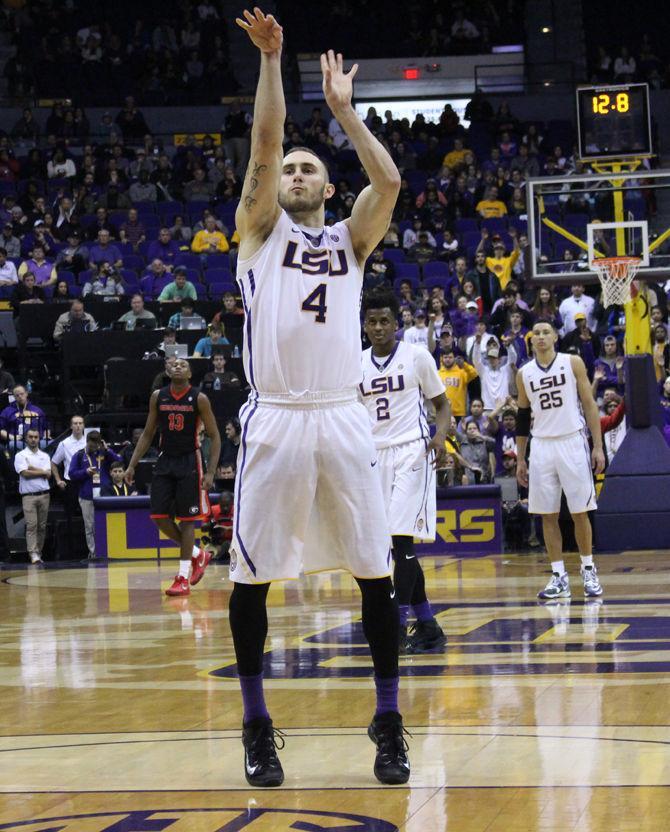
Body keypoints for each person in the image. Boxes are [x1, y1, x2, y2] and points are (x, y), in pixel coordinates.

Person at [230, 9, 407, 788]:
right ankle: (257, 725)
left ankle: (390, 717)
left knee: (377, 571)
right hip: (276, 417)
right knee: (251, 580)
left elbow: (391, 181)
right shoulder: (258, 231)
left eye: (309, 170)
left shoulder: (351, 240)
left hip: (342, 416)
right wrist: (273, 64)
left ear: (328, 187)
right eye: (291, 170)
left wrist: (344, 113)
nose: (295, 175)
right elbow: (265, 145)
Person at [360, 289, 449, 653]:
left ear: (397, 324)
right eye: (372, 322)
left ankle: (395, 625)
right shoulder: (355, 365)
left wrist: (441, 436)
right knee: (395, 546)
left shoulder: (417, 357)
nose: (378, 328)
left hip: (414, 451)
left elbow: (441, 405)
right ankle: (428, 624)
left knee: (400, 540)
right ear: (364, 326)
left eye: (385, 321)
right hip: (374, 456)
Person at [516, 319, 605, 600]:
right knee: (547, 514)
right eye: (536, 334)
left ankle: (588, 569)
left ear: (555, 337)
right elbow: (520, 418)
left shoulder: (572, 362)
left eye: (546, 332)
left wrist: (597, 446)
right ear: (531, 341)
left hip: (572, 440)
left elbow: (590, 405)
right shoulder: (524, 373)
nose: (541, 337)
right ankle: (558, 576)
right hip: (541, 445)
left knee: (580, 511)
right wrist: (521, 459)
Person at [124, 358, 221, 595]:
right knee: (158, 516)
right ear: (167, 370)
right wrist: (131, 465)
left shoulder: (199, 398)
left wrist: (210, 472)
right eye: (174, 364)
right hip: (166, 460)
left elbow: (215, 436)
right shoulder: (158, 396)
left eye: (183, 365)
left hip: (190, 461)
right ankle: (199, 554)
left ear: (190, 373)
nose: (178, 366)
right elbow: (148, 433)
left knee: (187, 521)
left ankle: (182, 577)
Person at [69, 431, 121, 559]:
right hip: (87, 496)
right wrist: (85, 472)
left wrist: (107, 449)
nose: (94, 448)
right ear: (87, 442)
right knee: (90, 527)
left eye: (96, 445)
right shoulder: (80, 455)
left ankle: (109, 551)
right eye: (92, 445)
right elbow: (71, 474)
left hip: (105, 496)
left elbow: (119, 462)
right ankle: (94, 553)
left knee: (106, 525)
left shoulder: (104, 453)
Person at [14, 428, 52, 564]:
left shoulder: (45, 456)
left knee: (42, 526)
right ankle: (33, 553)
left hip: (44, 495)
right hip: (28, 496)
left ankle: (39, 552)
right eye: (30, 437)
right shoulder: (20, 455)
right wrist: (42, 472)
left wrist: (33, 468)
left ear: (39, 438)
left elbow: (49, 474)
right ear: (26, 438)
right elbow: (25, 474)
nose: (33, 439)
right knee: (31, 525)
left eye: (36, 437)